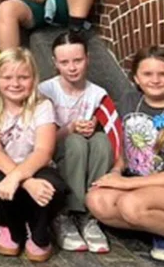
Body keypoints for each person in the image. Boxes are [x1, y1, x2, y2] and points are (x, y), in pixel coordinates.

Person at [87, 46, 164, 267]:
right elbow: (122, 144)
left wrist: (126, 184)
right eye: (147, 74)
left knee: (132, 204)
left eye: (163, 74)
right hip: (142, 190)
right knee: (96, 200)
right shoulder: (130, 102)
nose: (155, 80)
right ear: (136, 78)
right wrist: (118, 171)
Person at [0, 48, 66, 262]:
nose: (15, 84)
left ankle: (38, 228)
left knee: (53, 184)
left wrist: (19, 178)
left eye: (23, 77)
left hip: (34, 165)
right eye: (7, 77)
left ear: (34, 79)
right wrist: (26, 183)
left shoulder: (43, 105)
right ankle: (6, 225)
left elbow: (44, 150)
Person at [38, 32, 113, 253]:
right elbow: (41, 138)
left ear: (87, 58)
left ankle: (90, 216)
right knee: (75, 142)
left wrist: (93, 127)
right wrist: (70, 129)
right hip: (57, 153)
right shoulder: (45, 91)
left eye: (77, 60)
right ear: (55, 63)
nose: (72, 68)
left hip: (85, 155)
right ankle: (66, 214)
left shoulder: (98, 94)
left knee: (101, 141)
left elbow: (109, 129)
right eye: (64, 62)